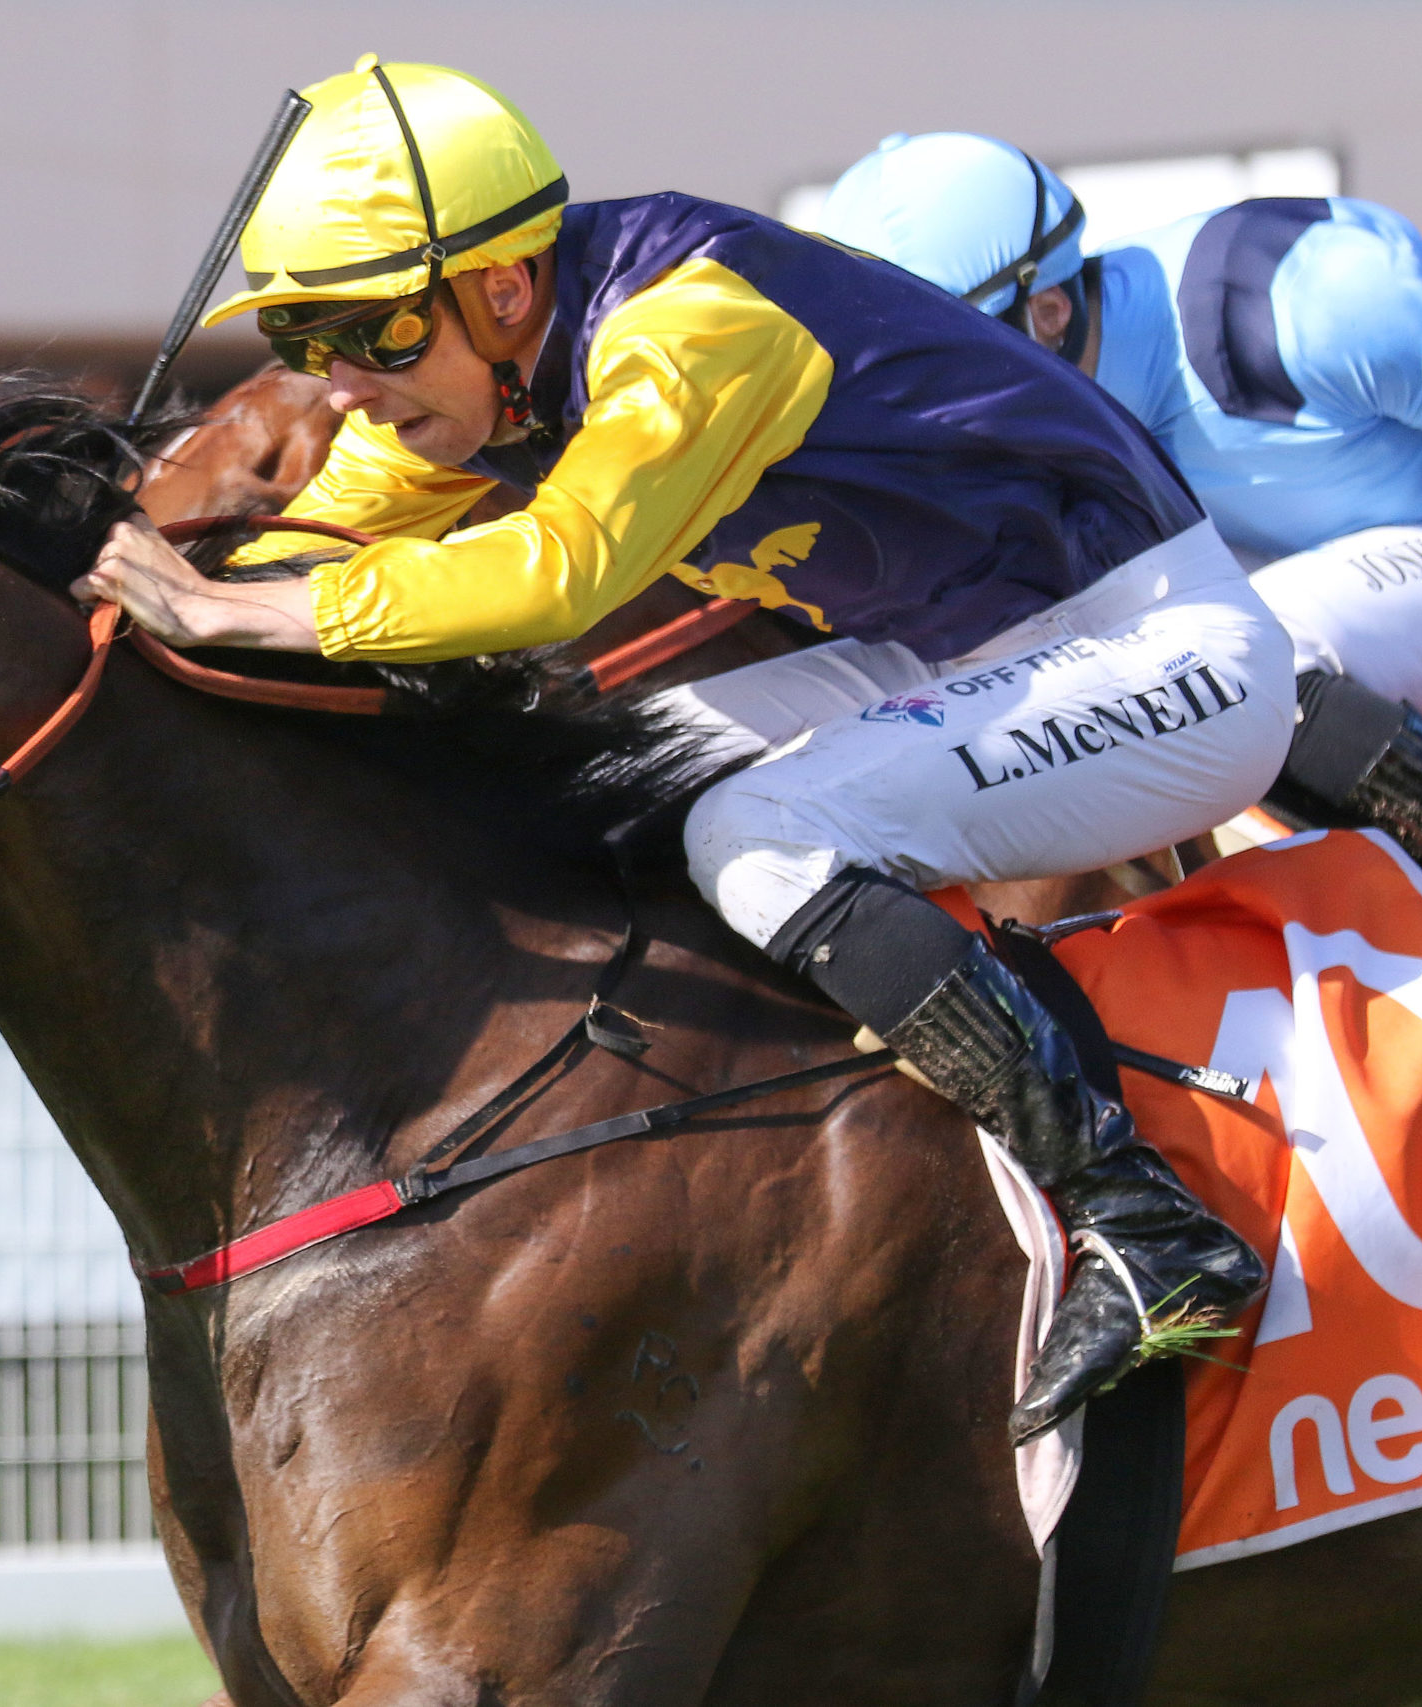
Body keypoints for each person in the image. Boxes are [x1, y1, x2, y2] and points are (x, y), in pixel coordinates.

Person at [77, 58, 1293, 1443]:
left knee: (753, 836)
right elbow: (315, 545)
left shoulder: (695, 321)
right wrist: (102, 585)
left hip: (1164, 650)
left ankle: (1138, 1215)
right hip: (946, 654)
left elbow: (560, 569)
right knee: (597, 783)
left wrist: (253, 614)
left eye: (375, 333)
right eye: (310, 341)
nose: (346, 389)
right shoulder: (461, 382)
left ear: (503, 288)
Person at [815, 133, 1422, 886]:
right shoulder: (1050, 409)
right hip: (1392, 581)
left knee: (1244, 646)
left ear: (1049, 313)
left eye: (945, 371)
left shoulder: (1316, 298)